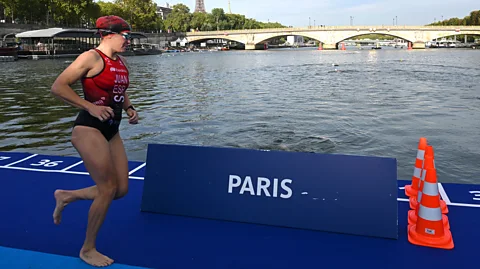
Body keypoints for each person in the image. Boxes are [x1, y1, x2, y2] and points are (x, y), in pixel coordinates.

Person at [50, 15, 138, 267]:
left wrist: (130, 108)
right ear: (108, 34)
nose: (128, 40)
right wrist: (90, 107)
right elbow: (58, 87)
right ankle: (87, 249)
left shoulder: (119, 62)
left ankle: (66, 196)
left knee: (120, 190)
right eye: (126, 35)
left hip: (112, 129)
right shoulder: (91, 57)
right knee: (107, 188)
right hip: (89, 128)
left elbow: (118, 90)